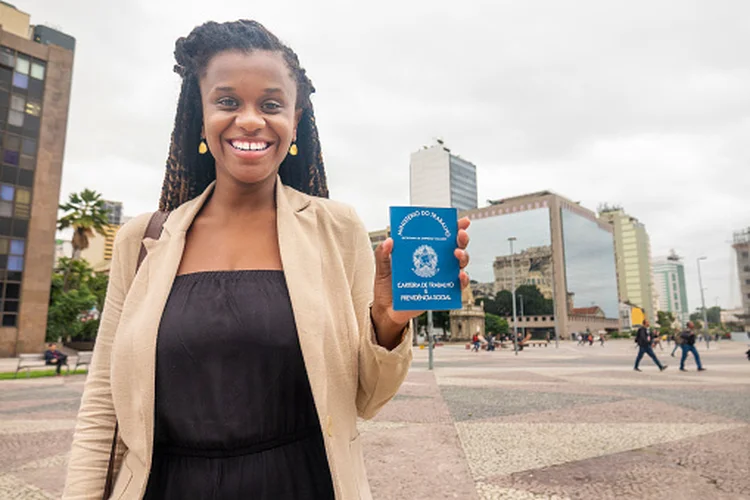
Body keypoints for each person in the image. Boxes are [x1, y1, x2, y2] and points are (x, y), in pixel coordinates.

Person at [62, 20, 471, 500]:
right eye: (228, 101)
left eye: (271, 104)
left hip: (304, 484)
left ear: (294, 122)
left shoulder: (337, 230)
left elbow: (367, 399)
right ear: (201, 117)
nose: (251, 119)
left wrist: (387, 321)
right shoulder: (142, 239)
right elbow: (101, 411)